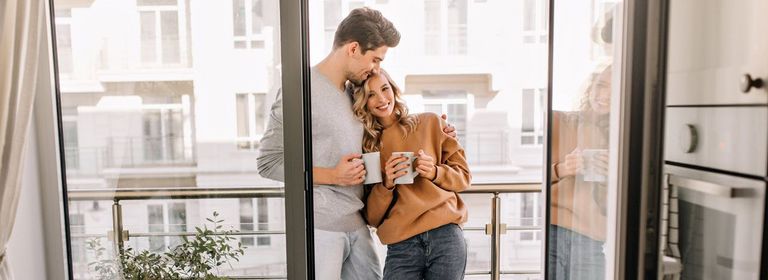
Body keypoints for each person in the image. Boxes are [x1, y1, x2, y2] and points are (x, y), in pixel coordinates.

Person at [257, 7, 456, 280]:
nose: (376, 68)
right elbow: (268, 162)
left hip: (359, 223)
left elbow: (389, 119)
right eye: (375, 59)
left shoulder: (356, 93)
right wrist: (333, 175)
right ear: (353, 48)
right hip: (321, 226)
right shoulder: (300, 89)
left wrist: (438, 130)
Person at [356, 69, 471, 280]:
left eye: (384, 89)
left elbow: (463, 177)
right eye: (371, 94)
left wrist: (434, 171)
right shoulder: (369, 147)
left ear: (393, 89)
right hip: (402, 245)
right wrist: (387, 184)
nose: (381, 99)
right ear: (363, 101)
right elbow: (373, 217)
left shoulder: (431, 122)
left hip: (445, 235)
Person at [549, 63, 612, 280]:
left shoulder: (621, 136)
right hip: (553, 233)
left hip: (591, 241)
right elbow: (536, 178)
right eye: (601, 85)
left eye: (613, 91)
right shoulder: (559, 120)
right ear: (591, 87)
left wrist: (610, 179)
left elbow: (613, 207)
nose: (604, 95)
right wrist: (563, 168)